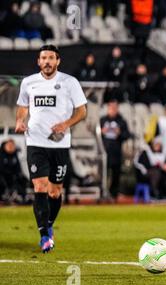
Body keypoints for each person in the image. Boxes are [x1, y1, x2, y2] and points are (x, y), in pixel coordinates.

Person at [15, 44, 87, 253]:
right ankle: (44, 235)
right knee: (39, 187)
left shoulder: (69, 82)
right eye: (43, 58)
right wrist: (20, 121)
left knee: (55, 192)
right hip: (35, 142)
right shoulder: (29, 83)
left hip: (59, 144)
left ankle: (49, 224)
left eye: (51, 58)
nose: (47, 61)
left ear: (58, 61)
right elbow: (22, 107)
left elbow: (82, 111)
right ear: (38, 61)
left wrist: (65, 124)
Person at [100, 99, 131, 202]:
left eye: (115, 107)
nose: (113, 110)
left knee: (116, 174)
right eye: (111, 107)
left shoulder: (122, 121)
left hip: (116, 152)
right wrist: (101, 133)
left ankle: (114, 194)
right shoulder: (102, 120)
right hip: (104, 152)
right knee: (103, 174)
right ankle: (102, 193)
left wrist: (119, 133)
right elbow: (95, 135)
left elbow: (127, 135)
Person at [0, 138, 29, 204]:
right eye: (9, 145)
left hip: (13, 176)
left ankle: (24, 198)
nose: (11, 147)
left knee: (23, 180)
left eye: (12, 145)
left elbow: (18, 169)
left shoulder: (14, 155)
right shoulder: (1, 155)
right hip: (3, 176)